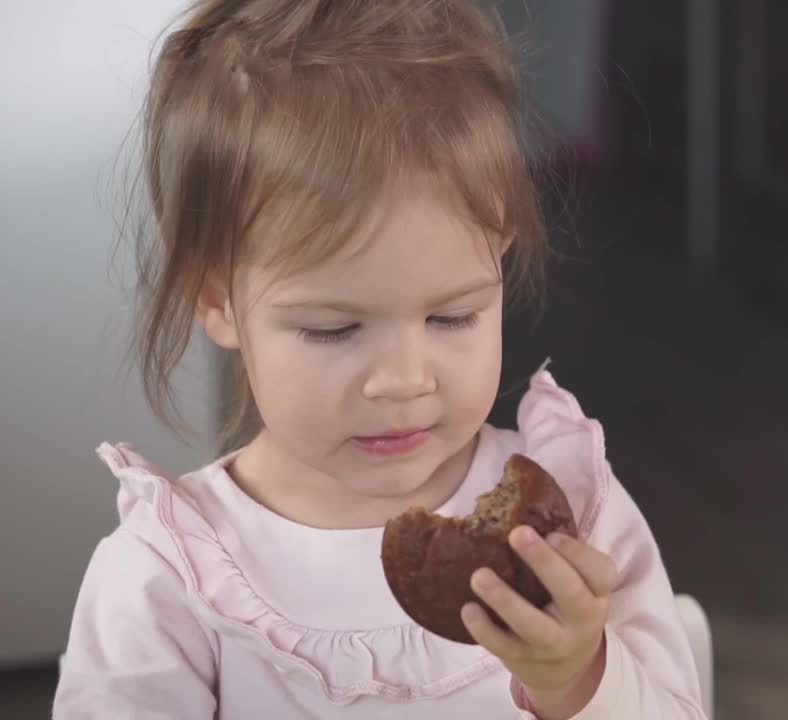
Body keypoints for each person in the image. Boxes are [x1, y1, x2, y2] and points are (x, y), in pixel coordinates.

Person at [52, 1, 705, 717]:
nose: (403, 381)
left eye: (452, 316)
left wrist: (578, 678)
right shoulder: (170, 579)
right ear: (218, 303)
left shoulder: (574, 510)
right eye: (334, 329)